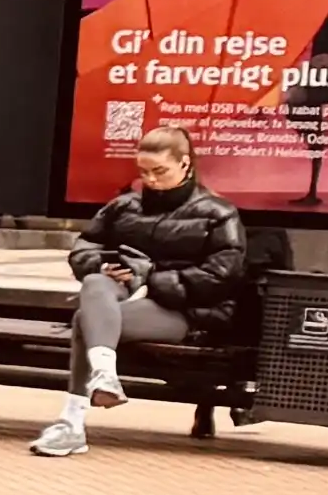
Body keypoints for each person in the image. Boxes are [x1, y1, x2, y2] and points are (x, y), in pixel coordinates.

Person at [39, 129, 249, 457]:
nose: (150, 180)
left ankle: (72, 423)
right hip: (122, 295)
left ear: (185, 164)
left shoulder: (218, 213)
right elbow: (84, 249)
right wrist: (101, 265)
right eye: (144, 172)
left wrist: (152, 276)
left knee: (85, 320)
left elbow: (220, 277)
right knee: (95, 282)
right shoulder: (123, 206)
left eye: (160, 171)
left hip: (185, 311)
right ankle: (104, 376)